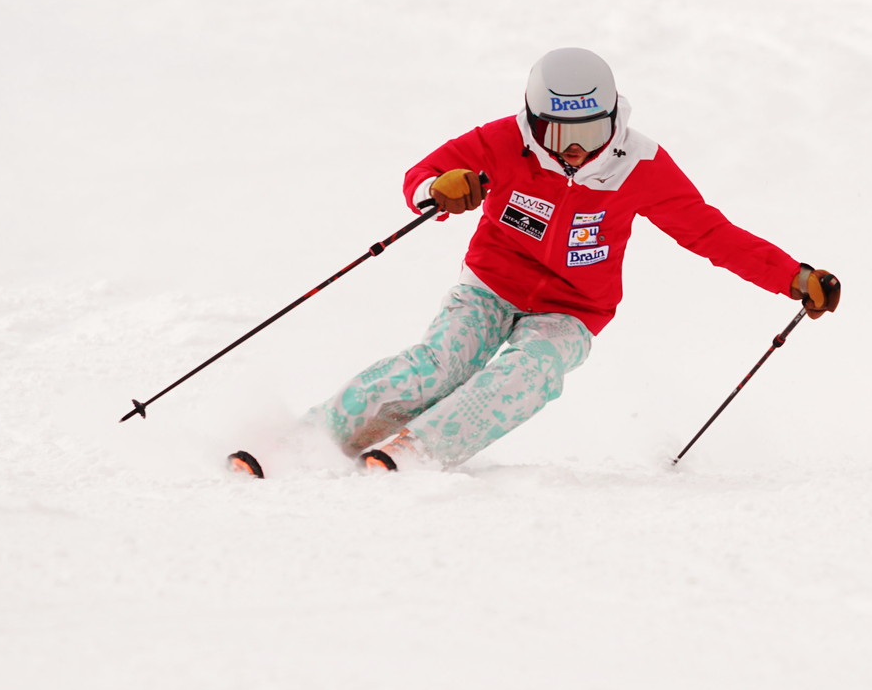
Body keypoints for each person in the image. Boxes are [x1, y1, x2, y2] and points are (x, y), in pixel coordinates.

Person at [313, 47, 839, 472]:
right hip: (490, 285)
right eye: (557, 134)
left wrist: (792, 277)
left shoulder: (642, 165)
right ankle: (319, 436)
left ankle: (418, 452)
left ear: (613, 118)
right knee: (441, 363)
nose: (573, 151)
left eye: (588, 134)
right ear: (533, 120)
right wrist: (439, 188)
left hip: (573, 307)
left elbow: (707, 231)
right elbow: (426, 175)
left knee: (530, 373)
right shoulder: (503, 141)